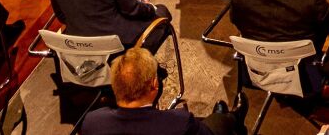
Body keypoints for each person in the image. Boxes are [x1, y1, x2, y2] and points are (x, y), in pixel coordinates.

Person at [74, 48, 245, 135]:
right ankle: (234, 118)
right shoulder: (179, 122)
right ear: (155, 84)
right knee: (218, 121)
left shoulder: (92, 122)